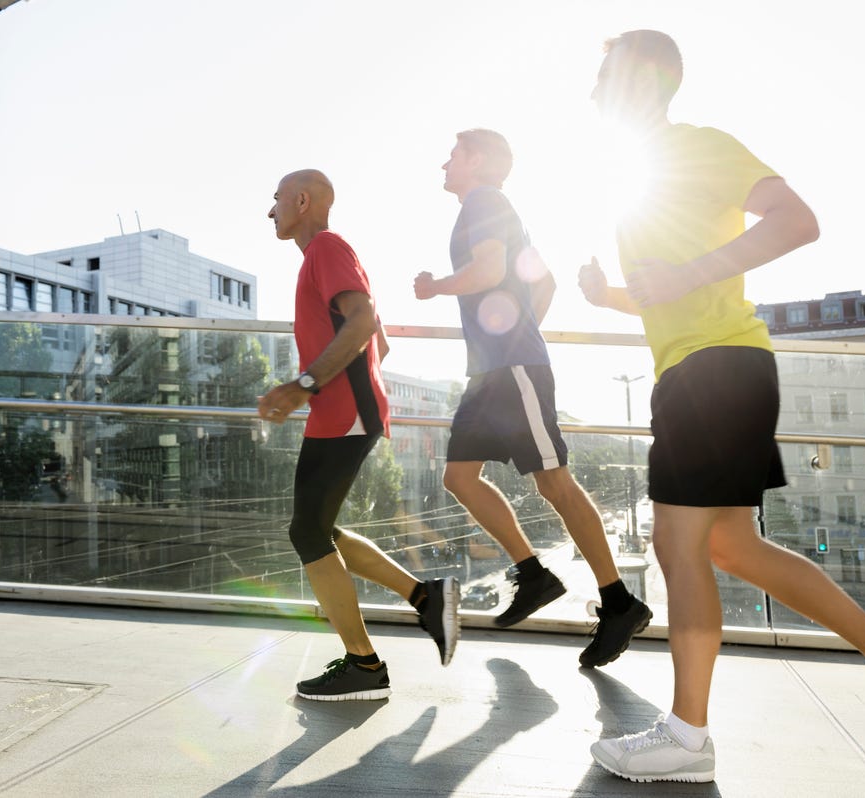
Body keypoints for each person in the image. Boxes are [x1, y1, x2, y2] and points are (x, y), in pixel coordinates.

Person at [578, 30, 865, 782]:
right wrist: (607, 297)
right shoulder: (643, 178)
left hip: (715, 370)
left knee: (678, 547)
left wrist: (685, 276)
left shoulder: (697, 147)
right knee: (730, 548)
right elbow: (669, 292)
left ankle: (686, 736)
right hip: (706, 367)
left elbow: (797, 219)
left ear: (643, 83)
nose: (592, 91)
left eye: (605, 75)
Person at [414, 129, 652, 668]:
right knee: (459, 477)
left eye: (453, 154)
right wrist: (517, 332)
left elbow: (492, 271)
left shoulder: (485, 200)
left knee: (552, 481)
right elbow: (543, 285)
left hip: (511, 369)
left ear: (476, 161)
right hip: (492, 372)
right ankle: (535, 574)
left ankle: (619, 602)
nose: (444, 163)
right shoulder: (494, 207)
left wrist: (437, 288)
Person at [261, 169, 459, 701]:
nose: (270, 211)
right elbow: (379, 343)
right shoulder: (326, 257)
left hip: (342, 412)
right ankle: (426, 597)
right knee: (318, 529)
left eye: (277, 199)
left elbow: (365, 322)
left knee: (307, 534)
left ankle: (364, 666)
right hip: (345, 411)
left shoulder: (326, 247)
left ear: (302, 201)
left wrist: (306, 383)